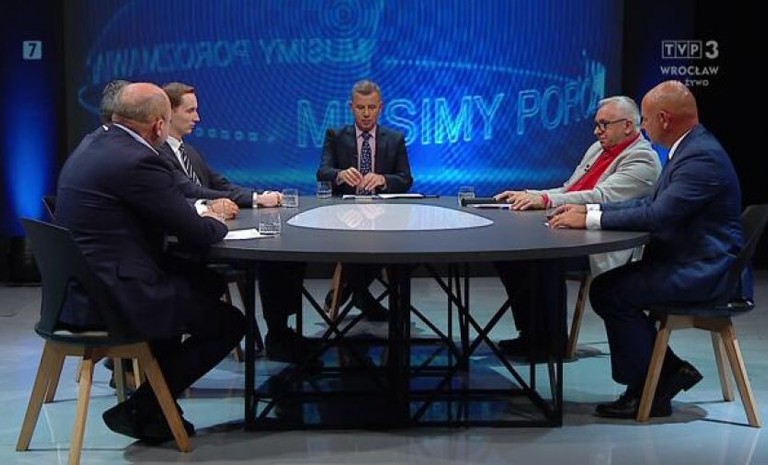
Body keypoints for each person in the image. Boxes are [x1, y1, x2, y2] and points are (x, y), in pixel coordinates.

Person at [548, 80, 750, 418]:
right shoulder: (690, 148)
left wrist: (591, 219)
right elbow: (650, 204)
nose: (643, 126)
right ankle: (664, 375)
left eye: (644, 119)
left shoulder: (700, 157)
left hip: (706, 272)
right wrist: (591, 211)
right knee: (608, 288)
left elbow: (658, 216)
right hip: (693, 261)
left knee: (611, 292)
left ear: (664, 119)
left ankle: (652, 386)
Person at [56, 82, 245, 442]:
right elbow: (196, 231)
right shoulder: (139, 160)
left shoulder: (96, 142)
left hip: (83, 287)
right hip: (113, 295)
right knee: (230, 323)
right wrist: (216, 219)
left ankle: (156, 405)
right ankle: (144, 406)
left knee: (206, 282)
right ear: (159, 125)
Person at [492, 96, 662, 360]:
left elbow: (601, 197)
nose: (597, 131)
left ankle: (551, 344)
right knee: (510, 252)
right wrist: (530, 194)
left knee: (543, 256)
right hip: (572, 226)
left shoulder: (644, 160)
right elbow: (569, 189)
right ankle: (531, 334)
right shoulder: (597, 149)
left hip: (601, 239)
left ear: (628, 126)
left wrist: (545, 200)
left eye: (604, 124)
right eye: (597, 124)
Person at [316, 79, 413, 321]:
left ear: (381, 108)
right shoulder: (336, 136)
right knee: (358, 239)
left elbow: (405, 179)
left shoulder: (395, 138)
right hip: (343, 216)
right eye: (361, 108)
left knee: (383, 241)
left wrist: (383, 179)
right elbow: (322, 172)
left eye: (371, 107)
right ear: (351, 108)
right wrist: (340, 175)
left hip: (385, 217)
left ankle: (351, 289)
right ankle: (360, 295)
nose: (366, 114)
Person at [159, 82, 282, 209]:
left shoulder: (190, 152)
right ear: (169, 113)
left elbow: (221, 184)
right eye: (190, 111)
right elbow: (193, 192)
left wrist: (260, 195)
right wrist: (256, 199)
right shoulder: (158, 154)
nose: (197, 118)